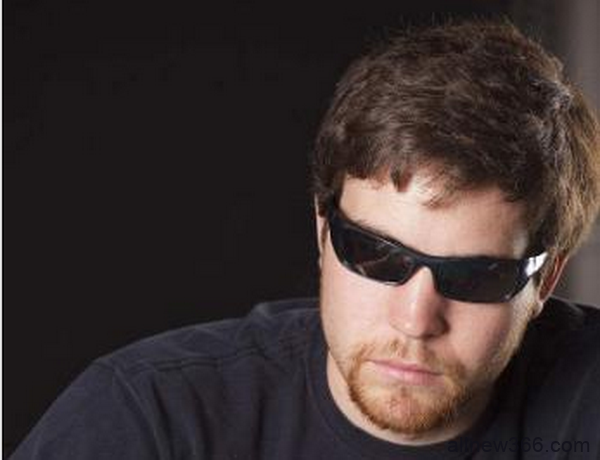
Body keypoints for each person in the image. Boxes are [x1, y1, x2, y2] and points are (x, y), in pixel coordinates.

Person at [10, 19, 600, 460]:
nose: (415, 320)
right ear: (323, 232)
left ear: (545, 280)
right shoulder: (147, 419)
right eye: (375, 254)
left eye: (475, 277)